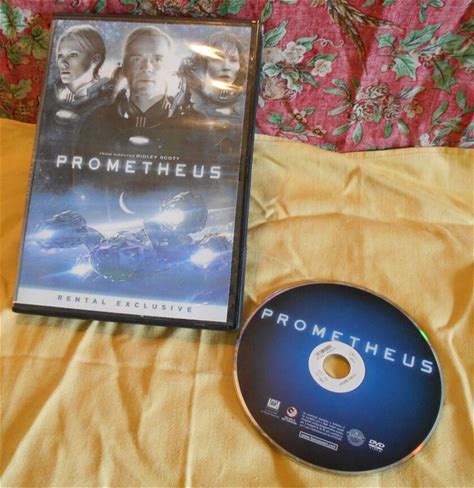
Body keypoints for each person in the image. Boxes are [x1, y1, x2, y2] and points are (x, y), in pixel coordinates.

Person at [76, 26, 177, 158]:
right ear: (125, 69)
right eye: (136, 59)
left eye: (157, 59)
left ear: (170, 69)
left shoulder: (191, 125)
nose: (146, 67)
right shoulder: (96, 122)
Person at [37, 25, 113, 190]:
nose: (63, 63)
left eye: (73, 55)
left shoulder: (110, 100)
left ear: (95, 59)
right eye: (60, 56)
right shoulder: (49, 96)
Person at [173, 31, 248, 165]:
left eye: (233, 60)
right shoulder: (184, 95)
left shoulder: (245, 102)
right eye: (218, 58)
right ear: (205, 61)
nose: (226, 67)